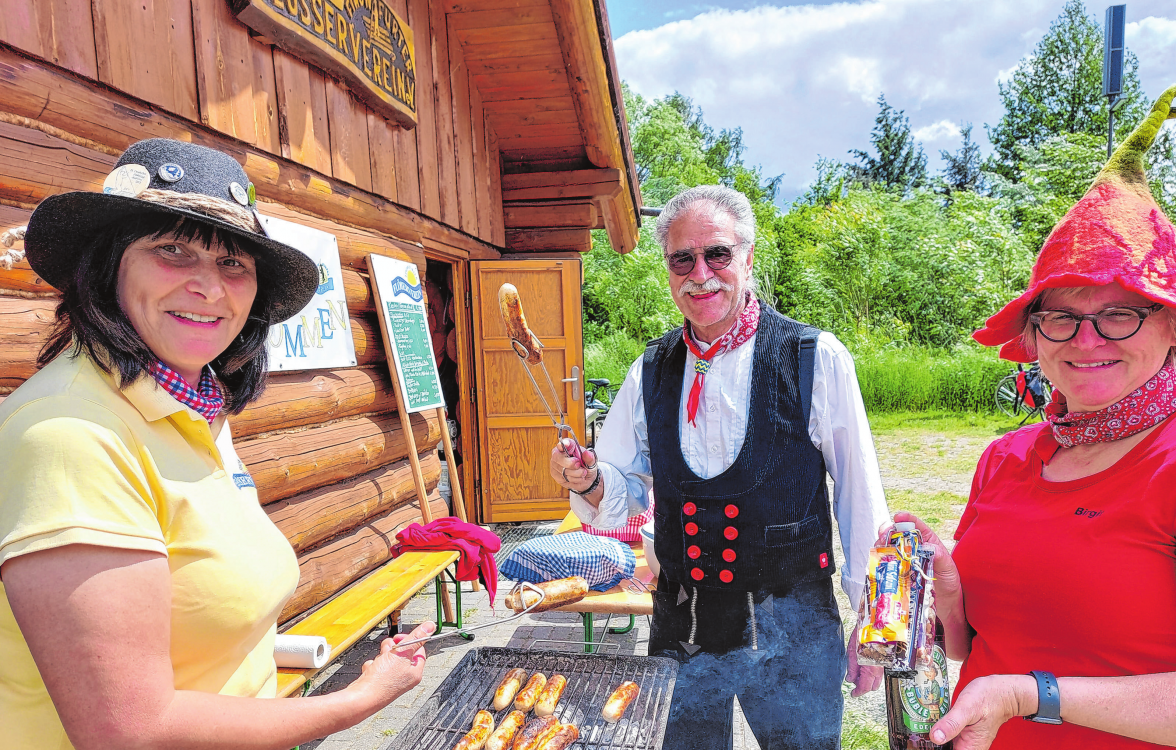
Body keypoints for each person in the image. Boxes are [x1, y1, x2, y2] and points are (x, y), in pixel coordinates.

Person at [0, 139, 435, 750]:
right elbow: (130, 731)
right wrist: (360, 699)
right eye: (172, 250)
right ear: (104, 266)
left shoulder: (186, 408)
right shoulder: (70, 433)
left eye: (234, 263)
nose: (210, 287)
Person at [550, 185, 891, 748]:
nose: (700, 274)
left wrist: (876, 623)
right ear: (668, 270)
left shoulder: (815, 358)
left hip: (794, 623)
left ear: (748, 258)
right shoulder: (651, 370)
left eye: (718, 255)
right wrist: (588, 479)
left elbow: (861, 495)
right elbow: (622, 492)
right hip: (684, 621)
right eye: (682, 258)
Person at [887, 87, 1176, 750]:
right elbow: (973, 649)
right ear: (1036, 336)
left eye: (1119, 314)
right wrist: (950, 592)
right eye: (1062, 318)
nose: (1087, 340)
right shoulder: (1008, 457)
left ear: (1169, 327)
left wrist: (1029, 695)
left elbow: (1013, 680)